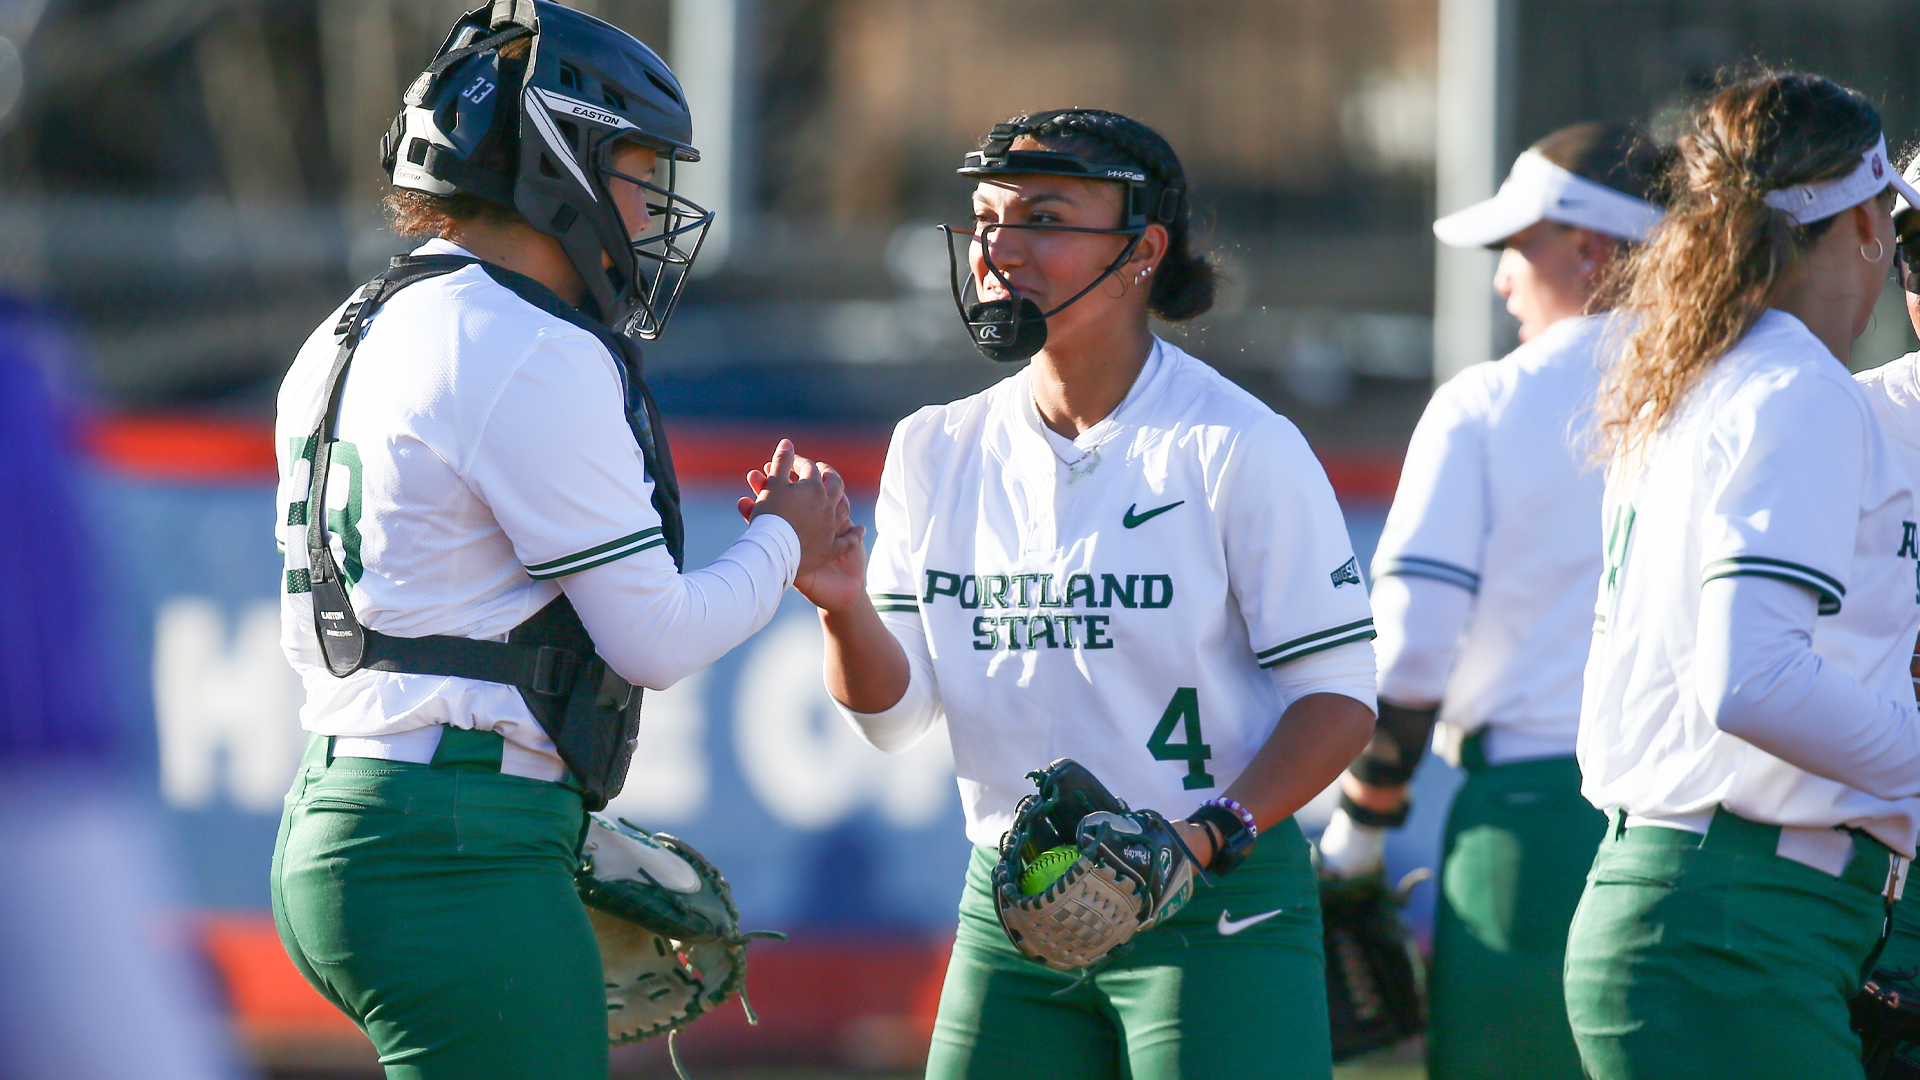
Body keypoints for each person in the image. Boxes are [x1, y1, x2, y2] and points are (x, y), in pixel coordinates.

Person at [269, 5, 847, 1079]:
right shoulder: (519, 339)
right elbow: (655, 639)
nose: (649, 209)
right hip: (451, 840)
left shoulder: (353, 322)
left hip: (355, 812)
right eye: (636, 171)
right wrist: (786, 539)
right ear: (555, 162)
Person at [790, 108, 1379, 1079]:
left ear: (1143, 249)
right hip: (1015, 903)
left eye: (1045, 219)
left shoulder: (1237, 444)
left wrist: (1203, 839)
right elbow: (893, 722)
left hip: (1212, 896)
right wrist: (841, 607)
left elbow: (1340, 698)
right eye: (987, 217)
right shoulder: (934, 445)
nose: (1000, 249)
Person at [1567, 70, 1920, 1080]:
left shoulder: (1703, 373)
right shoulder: (1796, 386)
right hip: (1735, 914)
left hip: (1704, 902)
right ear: (1865, 222)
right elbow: (1753, 678)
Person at [1316, 122, 1665, 1080]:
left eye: (1518, 245)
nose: (1504, 277)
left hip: (1531, 824)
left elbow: (1414, 650)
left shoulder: (1487, 403)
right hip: (1710, 832)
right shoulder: (1744, 387)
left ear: (1590, 249)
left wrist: (1357, 835)